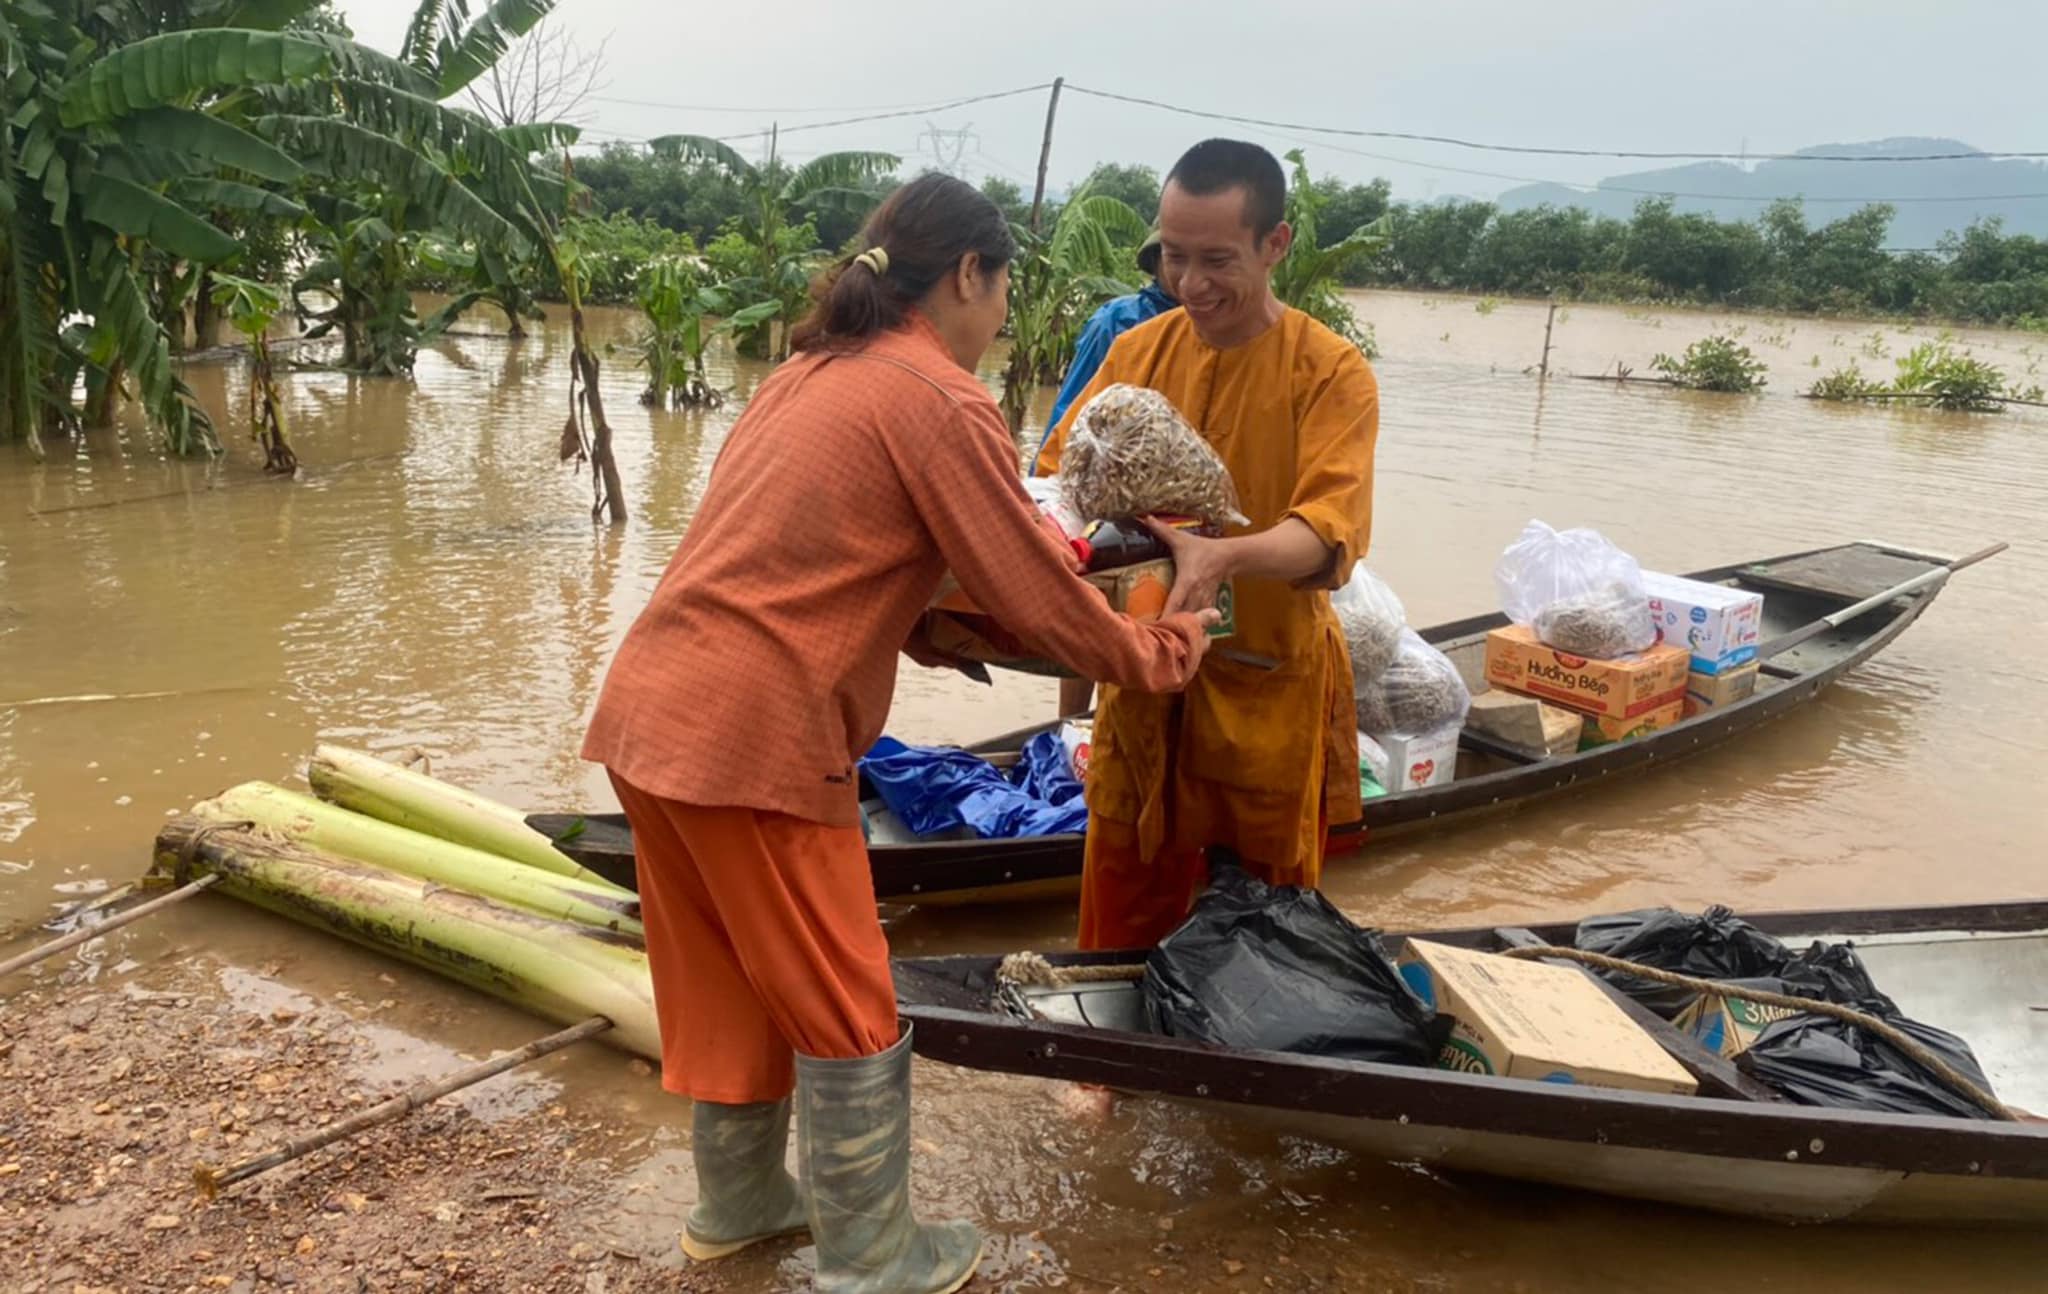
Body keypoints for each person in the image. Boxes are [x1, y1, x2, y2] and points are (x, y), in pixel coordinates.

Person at [581, 173, 1215, 1294]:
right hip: (756, 739)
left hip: (650, 712)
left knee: (728, 981)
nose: (1003, 319)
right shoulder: (940, 398)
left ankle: (736, 1205)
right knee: (848, 1000)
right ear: (967, 274)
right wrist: (1161, 651)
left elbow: (813, 553)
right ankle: (874, 1255)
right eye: (1003, 291)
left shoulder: (806, 372)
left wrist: (921, 629)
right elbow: (1035, 590)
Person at [1034, 139, 1379, 952]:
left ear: (1275, 245)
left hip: (1264, 679)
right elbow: (1059, 485)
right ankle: (1106, 1067)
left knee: (1261, 918)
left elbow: (1331, 529)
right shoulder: (1136, 355)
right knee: (1121, 882)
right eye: (1174, 257)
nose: (1190, 284)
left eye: (1217, 259)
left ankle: (1237, 1059)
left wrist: (1223, 556)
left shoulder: (1330, 372)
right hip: (1145, 675)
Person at [1032, 230, 1178, 467]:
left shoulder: (1225, 325)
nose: (1192, 276)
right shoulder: (1118, 320)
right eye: (1177, 258)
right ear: (1156, 263)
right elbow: (1073, 405)